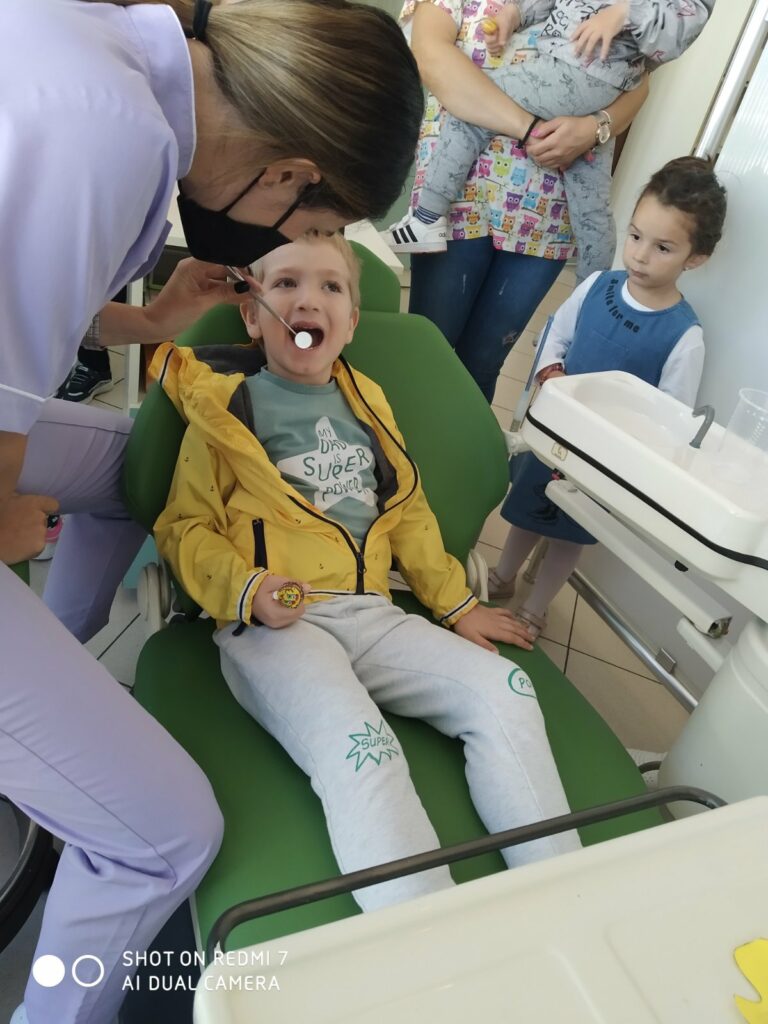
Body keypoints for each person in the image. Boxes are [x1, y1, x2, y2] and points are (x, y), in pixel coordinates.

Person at [1, 0, 423, 1020]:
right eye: (307, 237)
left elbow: (38, 292)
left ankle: (46, 693)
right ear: (289, 172)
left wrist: (154, 317)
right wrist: (19, 517)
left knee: (130, 466)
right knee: (165, 838)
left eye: (332, 271)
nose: (305, 285)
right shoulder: (109, 132)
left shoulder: (104, 51)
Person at [154, 231, 582, 912]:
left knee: (507, 689)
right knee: (364, 749)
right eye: (286, 283)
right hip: (278, 623)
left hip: (375, 614)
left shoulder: (367, 403)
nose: (308, 300)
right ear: (252, 316)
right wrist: (247, 590)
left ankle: (565, 903)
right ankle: (427, 945)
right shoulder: (225, 407)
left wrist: (455, 604)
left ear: (351, 323)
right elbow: (185, 527)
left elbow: (406, 510)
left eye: (330, 286)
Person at [489, 157, 727, 636]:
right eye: (635, 236)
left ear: (695, 257)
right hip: (556, 437)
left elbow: (671, 418)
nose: (639, 256)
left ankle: (536, 607)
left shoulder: (685, 337)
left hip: (605, 463)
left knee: (571, 533)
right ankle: (501, 577)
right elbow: (556, 333)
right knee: (527, 511)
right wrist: (552, 374)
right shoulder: (599, 285)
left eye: (662, 247)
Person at [391, 0, 650, 403]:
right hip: (459, 199)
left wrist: (595, 128)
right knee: (427, 350)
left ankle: (466, 450)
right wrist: (528, 129)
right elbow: (432, 58)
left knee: (481, 366)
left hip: (548, 213)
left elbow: (638, 82)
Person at [388, 0, 714, 282]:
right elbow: (429, 55)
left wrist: (625, 11)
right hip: (585, 82)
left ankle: (427, 218)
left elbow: (685, 21)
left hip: (578, 73)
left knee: (472, 107)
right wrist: (515, 14)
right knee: (591, 208)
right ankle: (589, 296)